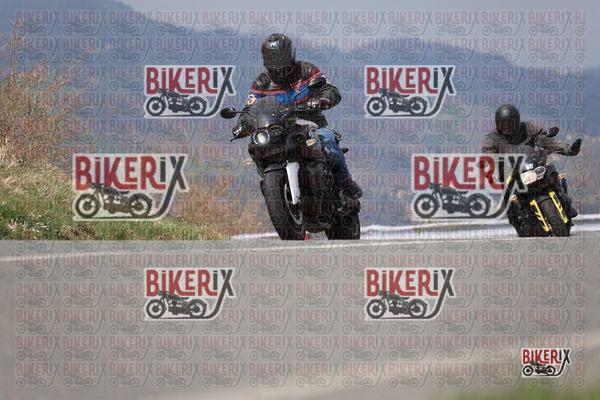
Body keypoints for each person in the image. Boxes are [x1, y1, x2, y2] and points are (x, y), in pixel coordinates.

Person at [233, 33, 362, 199]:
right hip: (277, 130)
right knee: (257, 148)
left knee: (328, 143)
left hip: (312, 124)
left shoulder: (306, 70)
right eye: (272, 60)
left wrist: (322, 100)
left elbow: (330, 90)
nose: (277, 66)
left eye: (280, 59)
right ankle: (275, 189)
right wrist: (242, 124)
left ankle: (346, 182)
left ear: (290, 55)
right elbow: (250, 109)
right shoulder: (261, 82)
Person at [482, 104, 582, 230]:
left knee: (553, 174)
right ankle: (517, 223)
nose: (508, 127)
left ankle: (566, 205)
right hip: (512, 172)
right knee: (508, 196)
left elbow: (546, 140)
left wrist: (568, 149)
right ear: (498, 124)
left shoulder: (527, 128)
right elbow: (488, 155)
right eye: (504, 124)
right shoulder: (492, 138)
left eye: (511, 123)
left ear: (517, 121)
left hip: (533, 164)